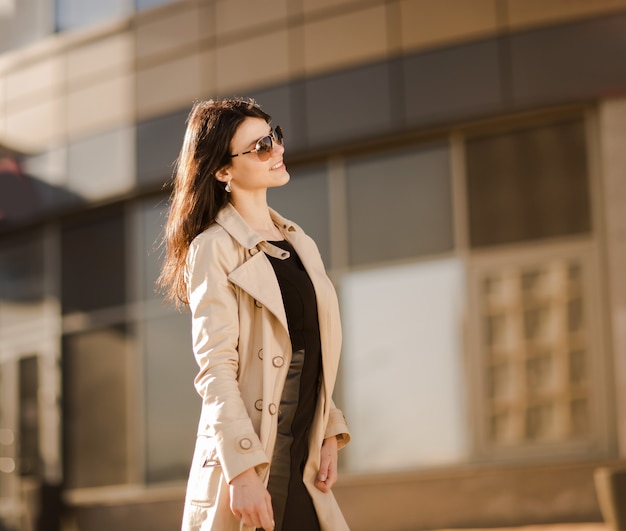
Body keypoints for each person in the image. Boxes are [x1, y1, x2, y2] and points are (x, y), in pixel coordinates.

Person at [158, 98, 351, 531]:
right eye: (261, 146)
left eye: (274, 136)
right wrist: (242, 470)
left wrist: (327, 429)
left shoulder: (299, 243)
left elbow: (306, 349)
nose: (277, 149)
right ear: (223, 170)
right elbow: (215, 369)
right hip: (254, 468)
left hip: (302, 461)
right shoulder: (213, 248)